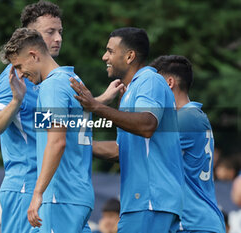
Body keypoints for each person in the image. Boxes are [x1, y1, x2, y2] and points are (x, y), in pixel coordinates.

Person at [70, 27, 184, 233]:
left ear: (130, 56)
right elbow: (120, 150)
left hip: (151, 200)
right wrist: (74, 143)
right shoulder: (132, 90)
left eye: (110, 51)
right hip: (143, 203)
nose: (105, 56)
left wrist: (96, 106)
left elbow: (147, 125)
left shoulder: (150, 80)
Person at [0, 27, 95, 233]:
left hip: (59, 195)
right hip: (78, 194)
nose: (20, 74)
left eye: (19, 66)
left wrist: (38, 192)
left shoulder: (52, 87)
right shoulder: (74, 80)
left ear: (33, 55)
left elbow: (57, 141)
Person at [0, 1, 63, 233]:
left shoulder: (49, 79)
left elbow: (53, 125)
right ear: (31, 35)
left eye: (60, 32)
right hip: (25, 187)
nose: (57, 38)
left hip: (47, 186)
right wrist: (16, 101)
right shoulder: (16, 76)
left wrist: (99, 103)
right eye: (50, 32)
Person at [150, 55, 226, 232]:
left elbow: (138, 148)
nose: (151, 92)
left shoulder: (185, 119)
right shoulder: (192, 116)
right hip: (197, 222)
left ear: (169, 83)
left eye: (154, 85)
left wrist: (83, 145)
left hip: (195, 223)